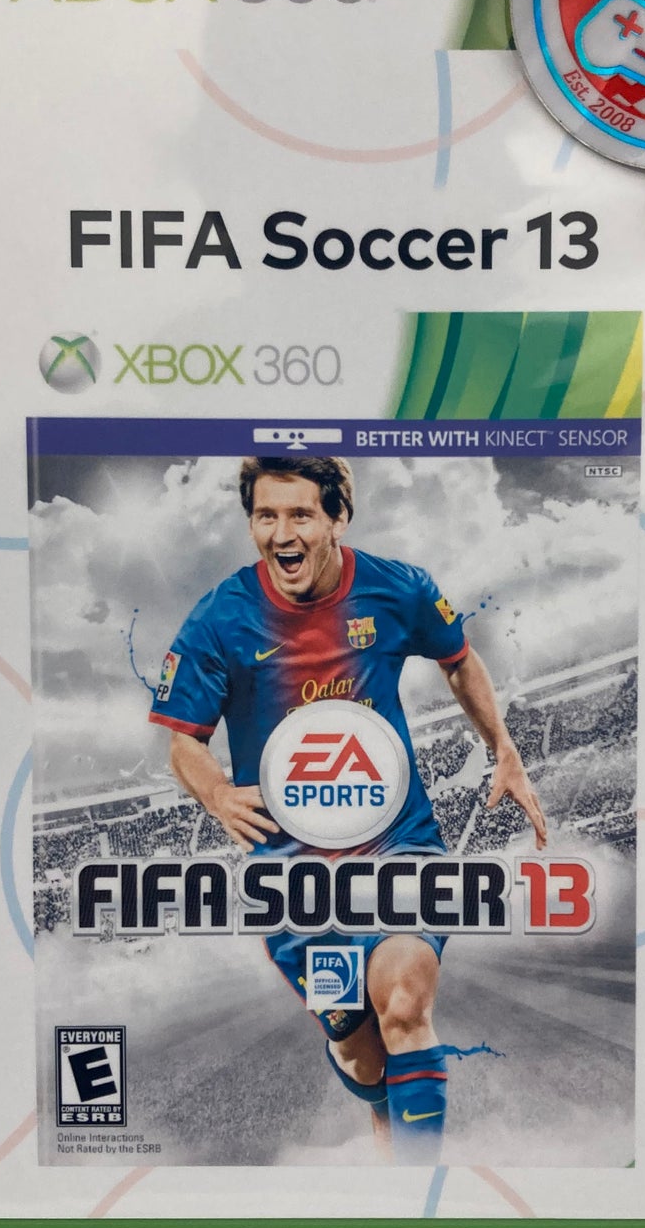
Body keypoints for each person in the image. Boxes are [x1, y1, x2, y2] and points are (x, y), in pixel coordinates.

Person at [148, 455, 547, 1162]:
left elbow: (458, 658)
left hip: (396, 845)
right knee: (361, 1053)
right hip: (292, 876)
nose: (281, 533)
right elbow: (183, 739)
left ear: (338, 518)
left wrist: (504, 748)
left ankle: (418, 1190)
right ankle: (384, 1119)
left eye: (300, 514)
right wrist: (216, 792)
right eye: (265, 516)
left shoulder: (398, 589)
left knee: (404, 1001)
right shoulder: (219, 618)